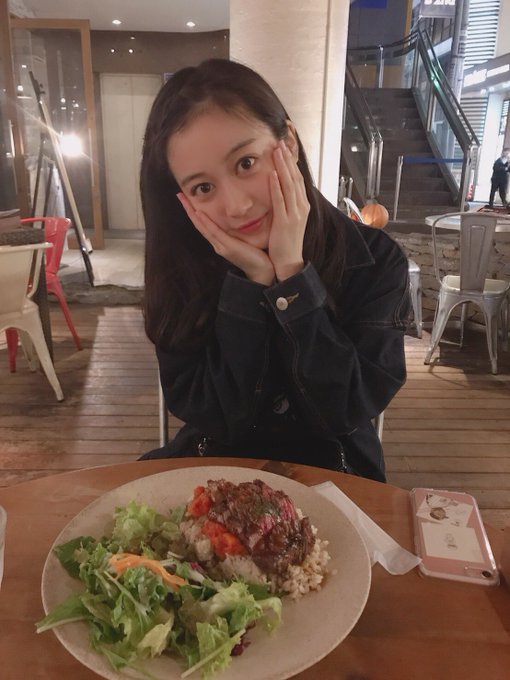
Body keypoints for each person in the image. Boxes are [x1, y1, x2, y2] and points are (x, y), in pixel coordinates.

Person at [139, 58, 410, 482]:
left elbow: (345, 410)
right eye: (203, 187)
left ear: (289, 143)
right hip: (212, 473)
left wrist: (292, 278)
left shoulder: (374, 259)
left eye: (246, 163)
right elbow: (216, 417)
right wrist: (252, 286)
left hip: (338, 477)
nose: (237, 206)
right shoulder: (182, 265)